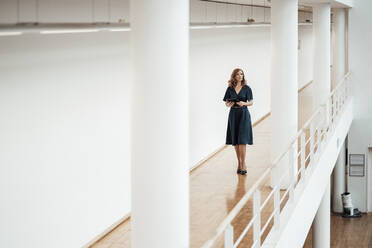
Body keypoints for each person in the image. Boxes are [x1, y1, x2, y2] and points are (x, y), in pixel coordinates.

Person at [223, 68, 254, 175]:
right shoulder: (230, 89)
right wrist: (229, 104)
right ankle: (239, 163)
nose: (240, 76)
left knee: (242, 140)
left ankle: (243, 164)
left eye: (241, 74)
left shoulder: (247, 88)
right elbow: (226, 103)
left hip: (244, 114)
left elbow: (251, 102)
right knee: (235, 140)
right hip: (233, 115)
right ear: (234, 76)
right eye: (238, 74)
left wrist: (244, 103)